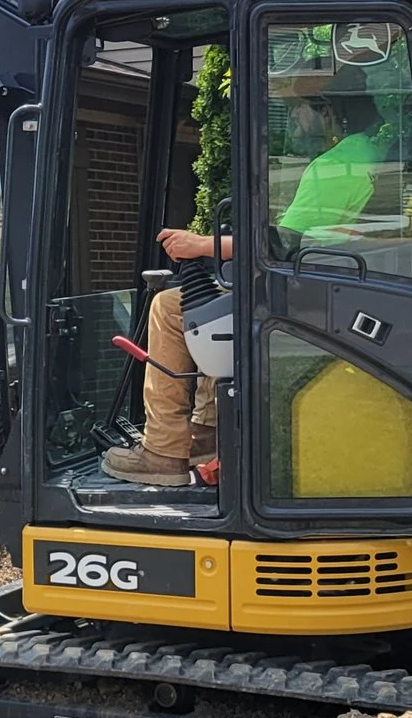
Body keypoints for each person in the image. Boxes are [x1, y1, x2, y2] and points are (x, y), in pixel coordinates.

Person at [102, 74, 387, 486]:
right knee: (217, 296)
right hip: (327, 288)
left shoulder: (335, 167)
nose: (293, 123)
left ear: (327, 112)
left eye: (296, 112)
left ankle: (163, 450)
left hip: (301, 298)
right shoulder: (369, 156)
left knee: (171, 306)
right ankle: (206, 432)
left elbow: (279, 243)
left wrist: (201, 244)